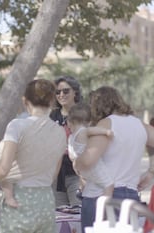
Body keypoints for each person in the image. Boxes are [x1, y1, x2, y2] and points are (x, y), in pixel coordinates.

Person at [73, 86, 154, 231]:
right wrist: (151, 172)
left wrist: (76, 161)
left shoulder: (106, 124)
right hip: (130, 195)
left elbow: (87, 161)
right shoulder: (138, 124)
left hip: (101, 196)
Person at [0, 79, 67, 232]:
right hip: (46, 198)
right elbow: (53, 174)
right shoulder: (60, 131)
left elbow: (4, 168)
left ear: (25, 101)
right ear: (52, 100)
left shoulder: (17, 126)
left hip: (20, 197)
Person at [66, 103, 114, 197]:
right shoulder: (84, 131)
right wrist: (106, 132)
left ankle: (84, 193)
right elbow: (93, 130)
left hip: (82, 169)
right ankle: (105, 204)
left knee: (89, 183)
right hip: (93, 165)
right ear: (89, 122)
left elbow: (71, 156)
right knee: (108, 184)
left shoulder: (71, 137)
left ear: (69, 122)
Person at [50, 75, 82, 207]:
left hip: (78, 174)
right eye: (58, 92)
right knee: (60, 217)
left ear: (75, 92)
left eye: (65, 91)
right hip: (57, 176)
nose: (61, 95)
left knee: (78, 212)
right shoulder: (52, 115)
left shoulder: (84, 113)